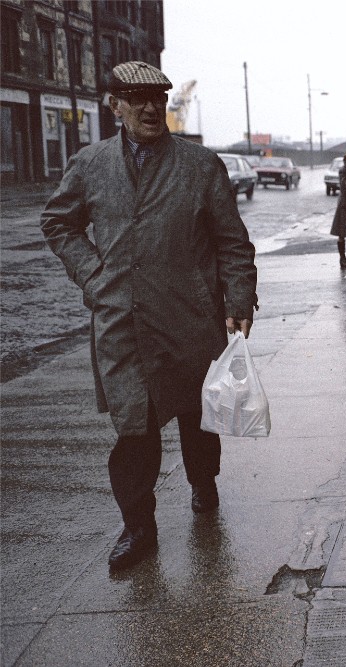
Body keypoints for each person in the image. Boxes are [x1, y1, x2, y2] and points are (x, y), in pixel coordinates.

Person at [39, 61, 258, 573]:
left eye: (157, 97)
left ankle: (203, 482)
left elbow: (232, 242)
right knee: (133, 427)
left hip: (188, 317)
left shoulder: (201, 165)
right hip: (122, 322)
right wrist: (93, 277)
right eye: (135, 98)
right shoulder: (90, 164)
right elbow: (57, 221)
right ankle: (139, 526)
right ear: (113, 105)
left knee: (194, 418)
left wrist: (237, 301)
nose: (149, 107)